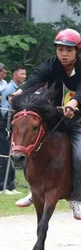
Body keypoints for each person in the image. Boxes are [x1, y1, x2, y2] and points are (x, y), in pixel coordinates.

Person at [12, 28, 81, 220]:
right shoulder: (50, 65)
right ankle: (34, 191)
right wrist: (20, 92)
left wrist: (74, 102)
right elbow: (35, 80)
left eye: (69, 50)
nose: (64, 53)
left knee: (80, 156)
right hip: (53, 121)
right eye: (60, 49)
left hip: (78, 123)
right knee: (30, 145)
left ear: (77, 51)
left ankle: (78, 199)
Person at [0, 64, 27, 194]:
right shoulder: (9, 89)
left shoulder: (19, 89)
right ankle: (3, 186)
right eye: (22, 74)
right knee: (5, 154)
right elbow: (5, 112)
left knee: (13, 153)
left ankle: (11, 186)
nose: (24, 76)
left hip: (15, 124)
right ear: (15, 75)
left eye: (25, 74)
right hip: (7, 125)